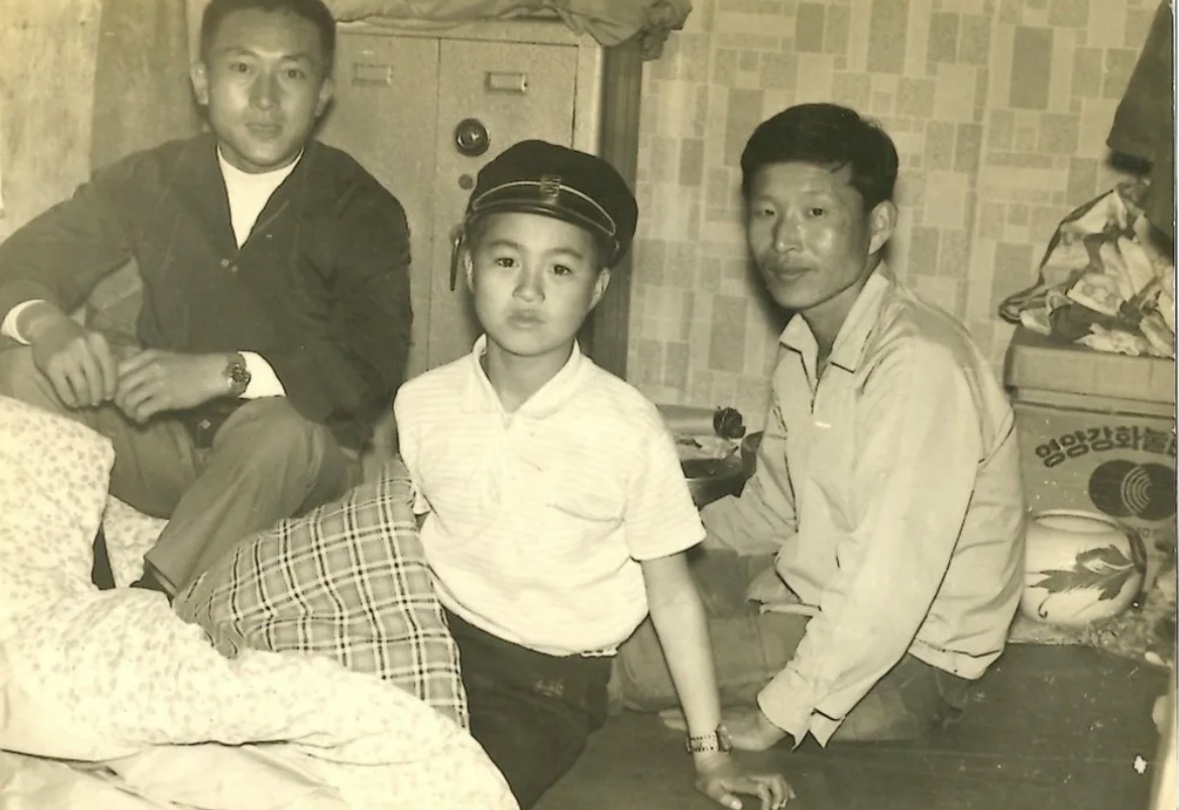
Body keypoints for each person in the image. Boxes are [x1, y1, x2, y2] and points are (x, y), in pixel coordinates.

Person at [394, 140, 793, 810]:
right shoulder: (422, 401)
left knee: (457, 793)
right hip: (427, 643)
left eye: (560, 269)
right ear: (467, 265)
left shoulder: (626, 427)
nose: (528, 289)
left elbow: (672, 597)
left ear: (597, 288)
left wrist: (710, 754)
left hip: (543, 685)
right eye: (505, 261)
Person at [618, 103, 1027, 750]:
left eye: (815, 213)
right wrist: (635, 548)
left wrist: (776, 715)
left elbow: (885, 584)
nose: (783, 240)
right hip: (807, 597)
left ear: (876, 226)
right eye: (765, 212)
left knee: (623, 661)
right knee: (608, 599)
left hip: (906, 663)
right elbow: (768, 514)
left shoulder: (917, 363)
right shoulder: (806, 343)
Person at [0, 0, 412, 598]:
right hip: (162, 445)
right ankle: (65, 569)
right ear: (202, 82)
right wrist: (47, 325)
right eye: (243, 69)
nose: (266, 99)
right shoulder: (155, 177)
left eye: (292, 73)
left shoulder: (362, 208)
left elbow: (373, 361)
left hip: (288, 468)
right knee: (23, 370)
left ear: (323, 93)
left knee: (285, 432)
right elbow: (24, 258)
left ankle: (154, 599)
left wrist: (225, 372)